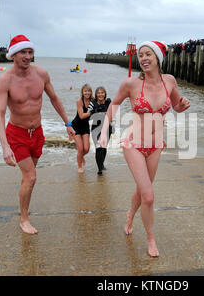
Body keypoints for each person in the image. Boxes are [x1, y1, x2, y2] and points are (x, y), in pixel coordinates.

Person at [98, 41, 190, 257]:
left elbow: (175, 106)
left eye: (148, 54)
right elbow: (114, 106)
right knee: (148, 196)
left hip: (156, 145)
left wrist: (183, 105)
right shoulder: (131, 84)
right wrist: (104, 130)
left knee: (142, 190)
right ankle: (151, 239)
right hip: (134, 144)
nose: (144, 58)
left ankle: (130, 215)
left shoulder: (169, 81)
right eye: (141, 55)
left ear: (158, 58)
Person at [0, 34, 75, 234]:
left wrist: (68, 123)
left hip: (37, 133)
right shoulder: (5, 79)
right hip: (16, 134)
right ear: (13, 55)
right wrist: (5, 146)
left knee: (27, 179)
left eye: (30, 52)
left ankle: (24, 207)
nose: (28, 56)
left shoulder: (42, 74)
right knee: (31, 177)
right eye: (23, 52)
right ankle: (24, 219)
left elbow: (54, 98)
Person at [88, 86, 113, 175]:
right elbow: (88, 116)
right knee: (98, 147)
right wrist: (95, 110)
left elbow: (112, 115)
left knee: (104, 147)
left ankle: (101, 164)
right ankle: (99, 169)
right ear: (96, 94)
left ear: (105, 94)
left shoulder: (108, 102)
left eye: (102, 92)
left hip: (107, 128)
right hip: (96, 128)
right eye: (98, 93)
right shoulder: (93, 103)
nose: (100, 94)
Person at [71, 84, 93, 173]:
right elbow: (81, 116)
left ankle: (81, 156)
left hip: (85, 126)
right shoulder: (79, 101)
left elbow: (101, 102)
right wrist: (92, 112)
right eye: (85, 91)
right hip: (76, 126)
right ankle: (79, 167)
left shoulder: (93, 100)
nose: (87, 93)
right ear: (82, 92)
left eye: (89, 91)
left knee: (86, 149)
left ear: (91, 92)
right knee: (80, 149)